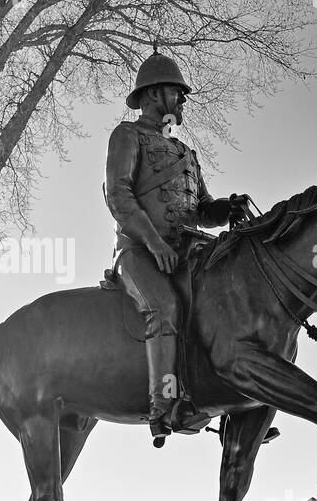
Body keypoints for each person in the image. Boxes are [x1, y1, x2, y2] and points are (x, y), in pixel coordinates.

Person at [105, 50, 248, 442]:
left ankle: (230, 396)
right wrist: (153, 243)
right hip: (138, 252)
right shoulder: (127, 136)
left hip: (188, 251)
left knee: (224, 306)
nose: (183, 99)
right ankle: (164, 407)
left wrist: (227, 208)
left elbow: (202, 209)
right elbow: (119, 196)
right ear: (153, 95)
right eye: (177, 92)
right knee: (164, 307)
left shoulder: (187, 153)